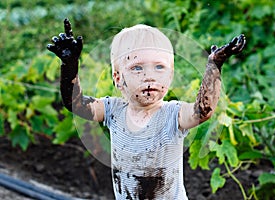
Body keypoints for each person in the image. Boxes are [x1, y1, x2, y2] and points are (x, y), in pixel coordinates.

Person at [47, 19, 246, 199]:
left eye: (159, 67)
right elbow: (76, 104)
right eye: (137, 68)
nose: (149, 76)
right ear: (118, 78)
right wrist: (69, 65)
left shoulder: (173, 114)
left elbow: (203, 111)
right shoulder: (112, 110)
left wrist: (214, 64)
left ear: (170, 76)